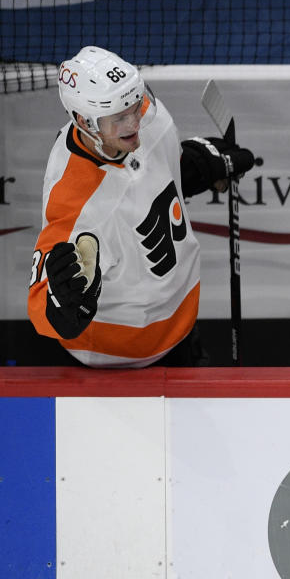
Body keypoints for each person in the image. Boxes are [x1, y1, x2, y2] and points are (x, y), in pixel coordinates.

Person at [27, 46, 255, 367]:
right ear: (84, 121)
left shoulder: (148, 115)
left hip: (181, 331)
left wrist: (195, 167)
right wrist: (60, 308)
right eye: (120, 117)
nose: (134, 122)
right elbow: (41, 299)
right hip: (116, 361)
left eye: (135, 105)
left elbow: (154, 177)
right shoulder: (77, 200)